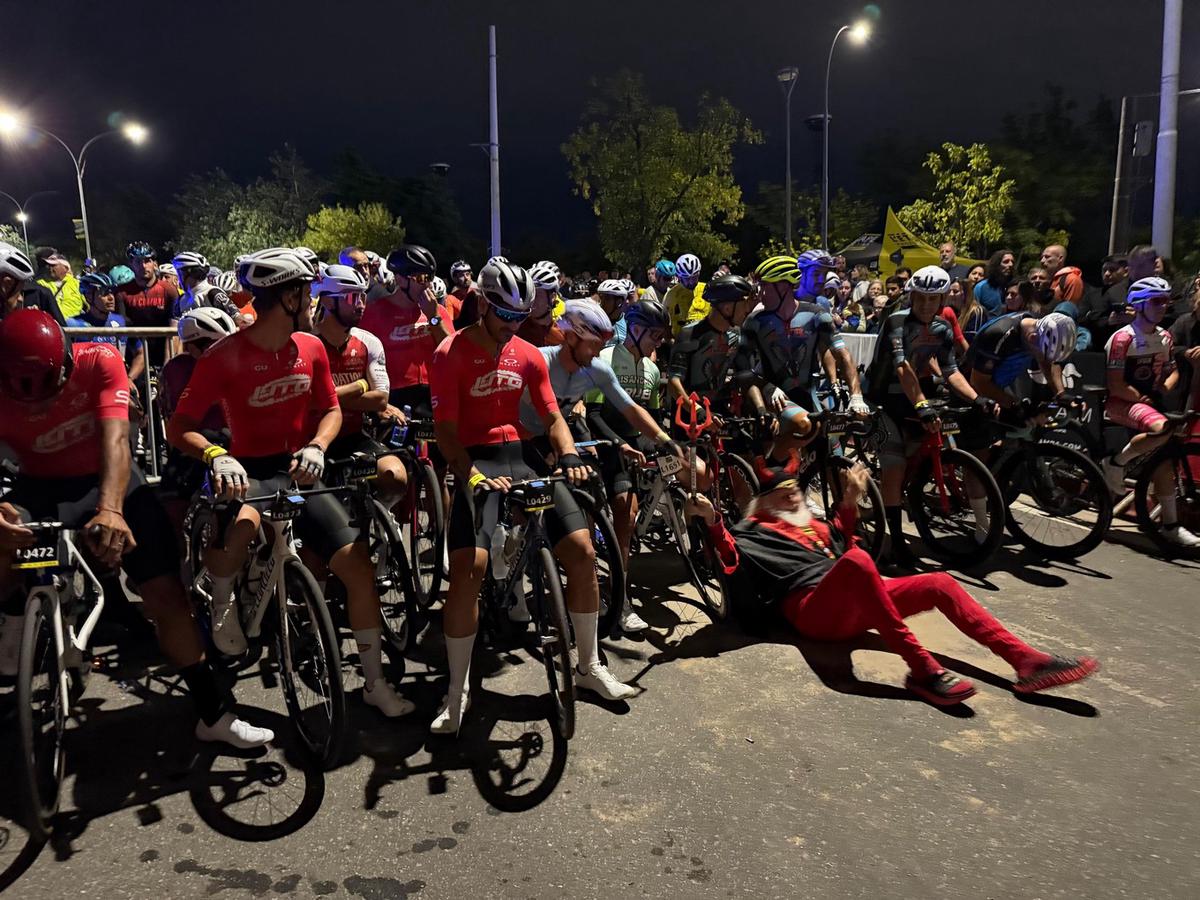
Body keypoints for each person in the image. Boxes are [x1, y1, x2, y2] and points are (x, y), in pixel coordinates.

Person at [0, 309, 273, 747]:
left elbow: (117, 439)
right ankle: (14, 625)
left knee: (166, 595)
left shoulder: (98, 360)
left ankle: (213, 713)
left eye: (49, 389)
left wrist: (110, 509)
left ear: (67, 362)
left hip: (111, 478)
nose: (42, 403)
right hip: (37, 487)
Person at [166, 247, 414, 717]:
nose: (313, 300)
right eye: (306, 292)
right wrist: (217, 455)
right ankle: (222, 601)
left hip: (299, 466)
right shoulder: (225, 355)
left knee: (357, 567)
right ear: (289, 297)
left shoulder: (313, 348)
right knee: (239, 529)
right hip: (247, 466)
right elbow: (179, 428)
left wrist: (319, 445)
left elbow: (331, 410)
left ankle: (375, 684)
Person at [685, 458, 1098, 704]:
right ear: (764, 502)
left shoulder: (813, 525)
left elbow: (846, 546)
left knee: (938, 581)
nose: (793, 498)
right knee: (860, 562)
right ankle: (921, 670)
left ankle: (1026, 661)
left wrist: (848, 502)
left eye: (796, 491)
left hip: (853, 598)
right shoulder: (753, 530)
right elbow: (730, 557)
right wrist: (713, 520)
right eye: (783, 495)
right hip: (813, 612)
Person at [430, 260, 635, 736]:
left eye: (520, 317)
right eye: (503, 314)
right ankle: (457, 688)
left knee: (583, 552)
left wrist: (566, 456)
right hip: (473, 459)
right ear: (482, 303)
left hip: (522, 456)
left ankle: (587, 667)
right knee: (469, 571)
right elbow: (444, 430)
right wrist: (470, 476)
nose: (511, 326)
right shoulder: (450, 352)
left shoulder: (526, 353)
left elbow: (553, 415)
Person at [521, 300, 684, 632]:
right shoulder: (539, 360)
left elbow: (628, 408)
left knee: (587, 485)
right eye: (594, 344)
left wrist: (664, 439)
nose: (598, 352)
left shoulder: (595, 368)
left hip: (558, 435)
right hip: (522, 437)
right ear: (571, 337)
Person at [864, 266, 997, 565]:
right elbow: (902, 367)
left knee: (922, 450)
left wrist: (978, 398)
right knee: (895, 467)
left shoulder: (942, 328)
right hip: (884, 397)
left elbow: (950, 371)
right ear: (912, 296)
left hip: (913, 396)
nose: (926, 305)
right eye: (921, 298)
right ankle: (894, 541)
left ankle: (904, 495)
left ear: (941, 301)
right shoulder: (897, 320)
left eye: (932, 299)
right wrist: (923, 406)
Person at [585, 299, 674, 629]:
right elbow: (593, 415)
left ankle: (620, 591)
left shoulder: (652, 369)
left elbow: (653, 415)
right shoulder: (604, 360)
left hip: (633, 448)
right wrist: (619, 444)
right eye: (655, 334)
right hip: (603, 444)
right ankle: (612, 597)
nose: (660, 341)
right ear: (635, 330)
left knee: (629, 517)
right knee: (623, 510)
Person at [1100, 277, 1199, 547]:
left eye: (1167, 301)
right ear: (1140, 305)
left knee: (1165, 463)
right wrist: (1141, 397)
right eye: (1157, 301)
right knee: (1162, 429)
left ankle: (1170, 525)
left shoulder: (1165, 337)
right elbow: (1115, 385)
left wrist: (1164, 387)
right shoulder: (1122, 337)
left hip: (1148, 404)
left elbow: (1173, 371)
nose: (1164, 306)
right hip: (1120, 403)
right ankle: (1116, 463)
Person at [310, 263, 407, 504]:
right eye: (353, 298)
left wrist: (328, 396)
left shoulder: (368, 342)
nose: (361, 304)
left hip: (353, 436)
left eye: (363, 296)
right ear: (328, 301)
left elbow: (381, 399)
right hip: (313, 439)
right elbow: (307, 401)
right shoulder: (307, 342)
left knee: (396, 476)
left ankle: (379, 521)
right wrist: (360, 386)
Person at [740, 252, 868, 415]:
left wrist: (853, 394)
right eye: (816, 274)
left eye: (824, 274)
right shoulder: (758, 315)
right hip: (771, 394)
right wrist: (766, 387)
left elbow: (833, 350)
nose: (821, 280)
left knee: (830, 432)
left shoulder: (819, 309)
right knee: (804, 426)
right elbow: (745, 365)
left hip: (806, 391)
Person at [358, 244, 452, 418]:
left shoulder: (438, 312)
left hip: (434, 395)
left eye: (430, 277)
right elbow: (359, 364)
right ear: (400, 279)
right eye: (421, 278)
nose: (428, 284)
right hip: (394, 398)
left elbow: (452, 354)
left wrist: (433, 317)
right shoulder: (373, 313)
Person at [667, 274, 756, 409]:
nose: (748, 310)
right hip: (689, 414)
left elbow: (746, 374)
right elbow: (674, 383)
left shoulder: (736, 335)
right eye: (744, 304)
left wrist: (760, 409)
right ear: (727, 308)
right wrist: (697, 412)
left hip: (719, 409)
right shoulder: (689, 334)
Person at [68, 272, 146, 381]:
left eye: (112, 292)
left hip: (117, 383)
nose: (111, 298)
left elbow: (141, 353)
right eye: (104, 293)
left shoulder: (122, 322)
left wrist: (129, 379)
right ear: (89, 297)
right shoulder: (73, 325)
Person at [120, 241, 180, 368]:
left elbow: (174, 330)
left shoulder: (169, 291)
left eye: (147, 260)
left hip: (163, 355)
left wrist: (168, 364)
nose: (143, 266)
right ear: (131, 264)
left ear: (154, 264)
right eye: (138, 262)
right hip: (135, 357)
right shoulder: (121, 293)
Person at [171, 251, 245, 324]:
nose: (178, 279)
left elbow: (239, 319)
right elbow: (174, 325)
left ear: (188, 273)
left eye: (179, 273)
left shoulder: (213, 293)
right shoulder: (181, 299)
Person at [1, 242, 65, 325]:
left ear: (7, 284)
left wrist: (39, 323)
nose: (21, 298)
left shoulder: (41, 294)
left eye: (20, 291)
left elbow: (64, 334)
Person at [518, 261, 567, 347]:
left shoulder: (562, 336)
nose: (531, 300)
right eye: (528, 294)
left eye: (537, 294)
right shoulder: (516, 329)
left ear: (552, 297)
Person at [665, 253, 709, 335]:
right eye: (687, 278)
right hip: (681, 343)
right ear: (679, 277)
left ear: (699, 274)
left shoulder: (707, 289)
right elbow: (666, 328)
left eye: (694, 277)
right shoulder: (670, 296)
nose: (691, 281)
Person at [35, 247, 85, 319]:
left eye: (53, 265)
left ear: (65, 268)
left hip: (77, 324)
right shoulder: (40, 285)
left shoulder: (77, 284)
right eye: (48, 265)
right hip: (53, 323)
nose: (50, 268)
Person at [973, 250, 1014, 315]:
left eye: (1012, 262)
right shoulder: (981, 287)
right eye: (1006, 262)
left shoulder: (1013, 288)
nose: (1010, 265)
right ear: (996, 265)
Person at [447, 260, 482, 328]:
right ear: (455, 278)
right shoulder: (450, 298)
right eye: (461, 275)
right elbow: (450, 324)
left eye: (467, 274)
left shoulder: (479, 293)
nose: (466, 278)